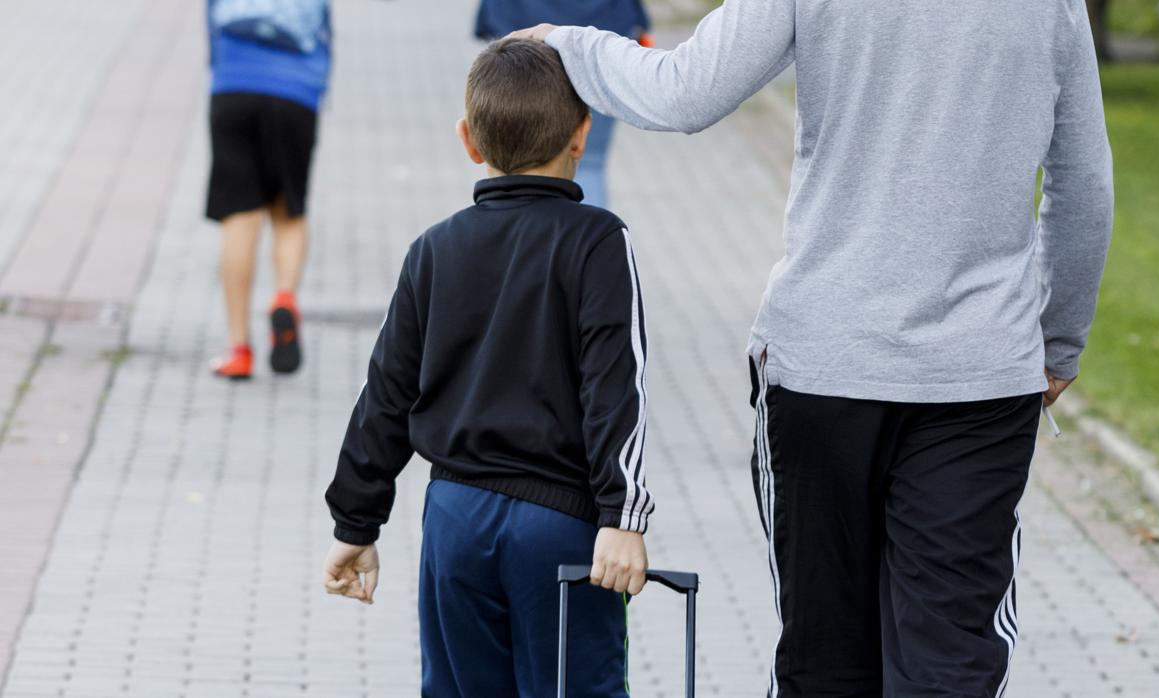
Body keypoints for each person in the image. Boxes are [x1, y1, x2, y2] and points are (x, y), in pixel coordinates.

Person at [514, 0, 1114, 695]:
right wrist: (1057, 341)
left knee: (823, 656)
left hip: (823, 367)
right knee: (949, 658)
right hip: (976, 376)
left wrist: (565, 42)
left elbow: (682, 91)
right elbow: (1083, 182)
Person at [320, 39, 655, 697]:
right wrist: (622, 517)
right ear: (582, 134)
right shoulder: (597, 241)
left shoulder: (434, 248)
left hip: (454, 518)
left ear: (468, 140)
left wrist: (354, 523)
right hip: (561, 526)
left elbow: (386, 393)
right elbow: (616, 385)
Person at [205, 0, 332, 379]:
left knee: (240, 217)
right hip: (296, 91)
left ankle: (239, 349)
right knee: (288, 213)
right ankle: (284, 296)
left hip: (234, 82)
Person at [474, 0, 651, 209]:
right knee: (591, 163)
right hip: (602, 43)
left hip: (519, 50)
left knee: (510, 167)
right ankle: (592, 239)